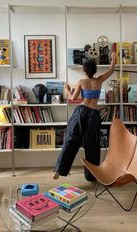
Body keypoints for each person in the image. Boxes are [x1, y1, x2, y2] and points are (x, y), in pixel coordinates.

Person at [53, 52, 116, 181]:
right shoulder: (99, 80)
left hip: (81, 111)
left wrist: (67, 89)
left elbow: (72, 98)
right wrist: (114, 58)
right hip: (93, 113)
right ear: (95, 70)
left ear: (84, 70)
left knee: (71, 139)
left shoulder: (81, 81)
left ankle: (59, 170)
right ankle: (92, 176)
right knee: (92, 144)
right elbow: (111, 69)